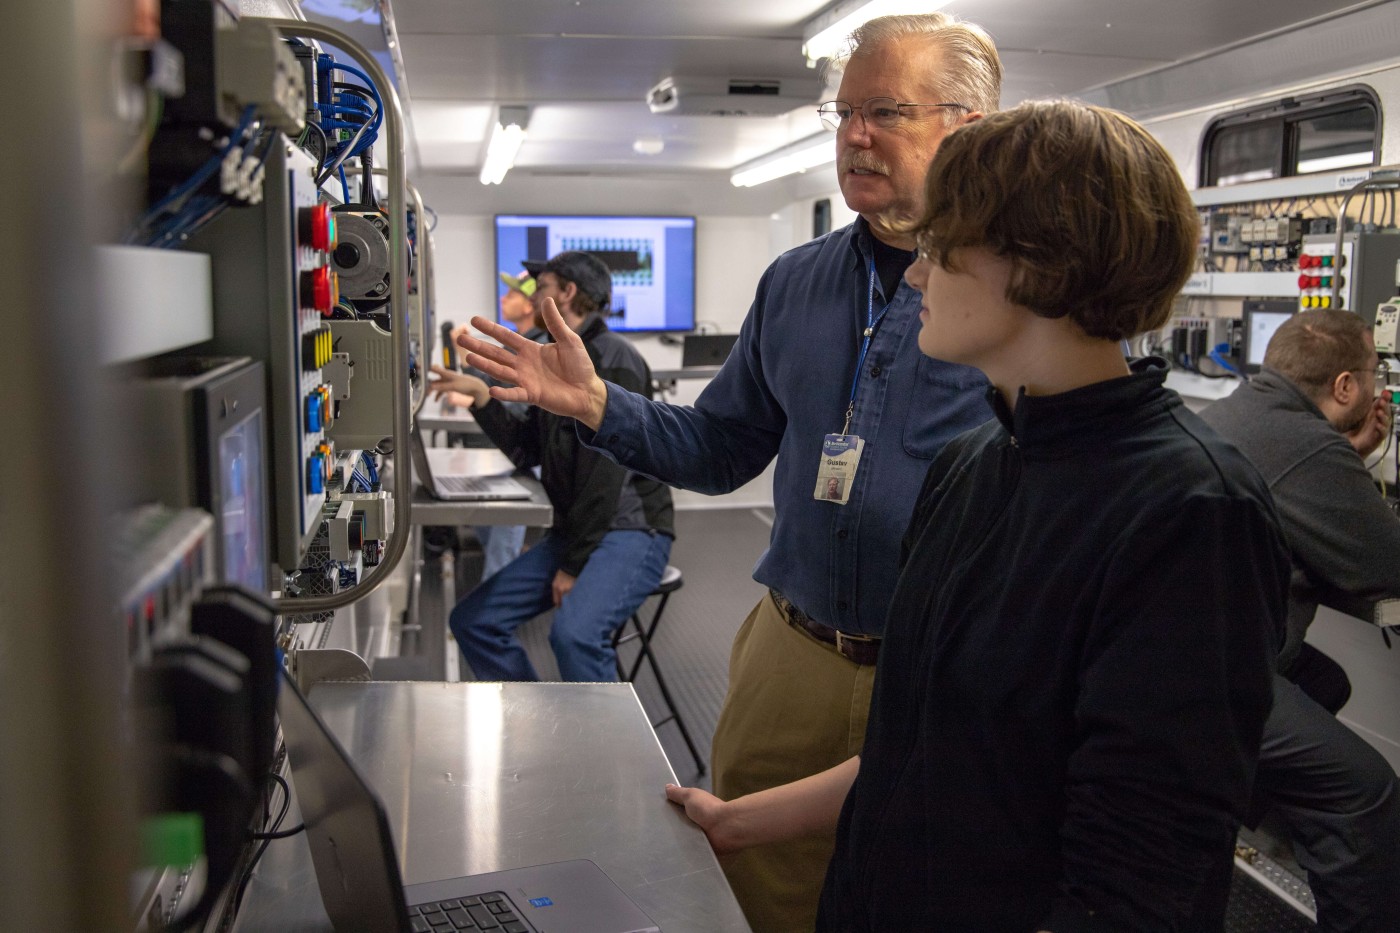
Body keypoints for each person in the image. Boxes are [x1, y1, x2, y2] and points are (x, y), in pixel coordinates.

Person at [666, 99, 1289, 931]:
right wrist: (741, 821)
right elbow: (921, 744)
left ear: (1040, 262)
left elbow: (1139, 879)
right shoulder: (975, 464)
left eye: (939, 248)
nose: (917, 275)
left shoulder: (1189, 511)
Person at [456, 14, 1001, 929]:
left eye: (886, 112)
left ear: (971, 127)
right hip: (793, 649)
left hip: (946, 673)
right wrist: (596, 408)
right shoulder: (797, 282)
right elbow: (718, 450)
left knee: (925, 892)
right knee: (756, 888)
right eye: (845, 112)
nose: (855, 135)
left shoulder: (1014, 286)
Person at [1199, 309, 1400, 932]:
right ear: (1346, 388)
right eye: (1375, 374)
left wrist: (1347, 458)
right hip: (1214, 675)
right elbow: (1383, 564)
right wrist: (1346, 463)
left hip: (1192, 653)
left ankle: (1213, 820)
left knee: (1324, 682)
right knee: (1367, 794)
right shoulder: (1306, 443)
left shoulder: (1241, 411)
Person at [430, 251, 674, 682]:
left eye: (541, 287)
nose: (533, 295)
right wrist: (482, 399)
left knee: (574, 636)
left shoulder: (614, 359)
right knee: (474, 621)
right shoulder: (553, 356)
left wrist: (574, 565)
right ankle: (537, 721)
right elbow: (531, 452)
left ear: (567, 293)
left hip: (630, 529)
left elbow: (605, 478)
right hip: (578, 529)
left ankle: (605, 751)